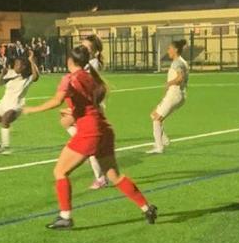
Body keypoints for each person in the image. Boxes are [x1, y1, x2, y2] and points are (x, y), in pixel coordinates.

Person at [24, 45, 157, 230]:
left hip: (89, 131)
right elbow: (89, 105)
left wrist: (31, 109)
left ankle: (65, 217)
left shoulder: (69, 78)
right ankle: (147, 207)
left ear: (69, 61)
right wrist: (74, 112)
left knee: (59, 172)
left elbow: (56, 101)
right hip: (104, 129)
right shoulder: (90, 77)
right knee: (115, 176)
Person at [62, 34, 109, 189]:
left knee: (86, 141)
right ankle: (99, 169)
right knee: (67, 124)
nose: (83, 49)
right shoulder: (88, 65)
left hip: (92, 107)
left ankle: (100, 177)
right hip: (86, 106)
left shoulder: (92, 64)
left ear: (94, 52)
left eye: (87, 47)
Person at [0, 50, 39, 155]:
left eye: (18, 64)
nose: (15, 66)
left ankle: (6, 147)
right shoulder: (10, 73)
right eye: (15, 64)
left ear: (23, 67)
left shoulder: (27, 78)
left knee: (5, 120)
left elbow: (36, 77)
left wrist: (31, 60)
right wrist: (2, 74)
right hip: (3, 103)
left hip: (16, 105)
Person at [147, 39, 189, 154]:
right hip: (178, 94)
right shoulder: (182, 61)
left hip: (175, 94)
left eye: (170, 48)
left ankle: (159, 147)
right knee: (154, 114)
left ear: (175, 50)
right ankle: (164, 140)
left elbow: (180, 78)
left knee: (157, 119)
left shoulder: (177, 63)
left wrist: (169, 83)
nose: (168, 50)